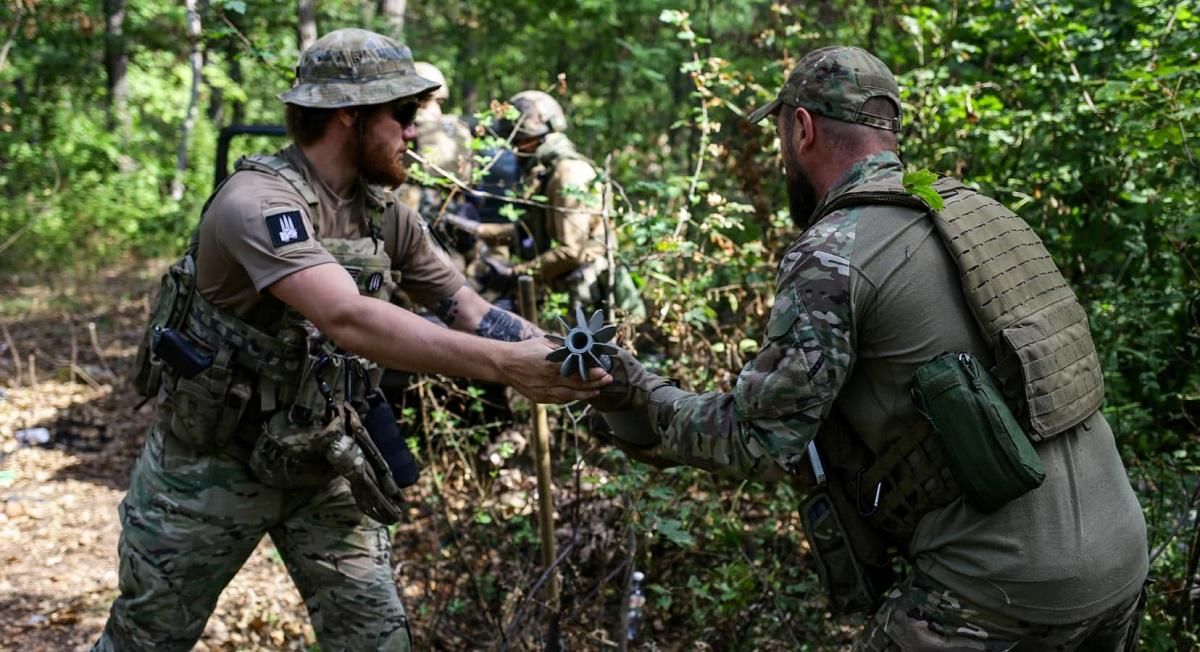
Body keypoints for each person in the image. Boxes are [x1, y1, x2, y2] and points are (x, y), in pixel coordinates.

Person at [590, 46, 1148, 650]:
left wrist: (645, 401)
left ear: (801, 129)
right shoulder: (981, 213)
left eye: (780, 132)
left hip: (1000, 591)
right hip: (1121, 562)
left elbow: (761, 440)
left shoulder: (833, 250)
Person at [94, 29, 607, 652]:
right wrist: (507, 367)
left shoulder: (385, 213)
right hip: (210, 467)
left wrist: (574, 356)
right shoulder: (257, 201)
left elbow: (466, 308)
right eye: (403, 114)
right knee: (146, 641)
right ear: (349, 114)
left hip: (323, 463)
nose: (414, 132)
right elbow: (349, 318)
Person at [445, 90, 645, 320]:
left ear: (536, 137)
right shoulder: (548, 172)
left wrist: (516, 272)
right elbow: (526, 230)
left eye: (519, 141)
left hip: (587, 299)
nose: (515, 150)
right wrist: (476, 230)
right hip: (567, 293)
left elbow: (572, 251)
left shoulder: (568, 173)